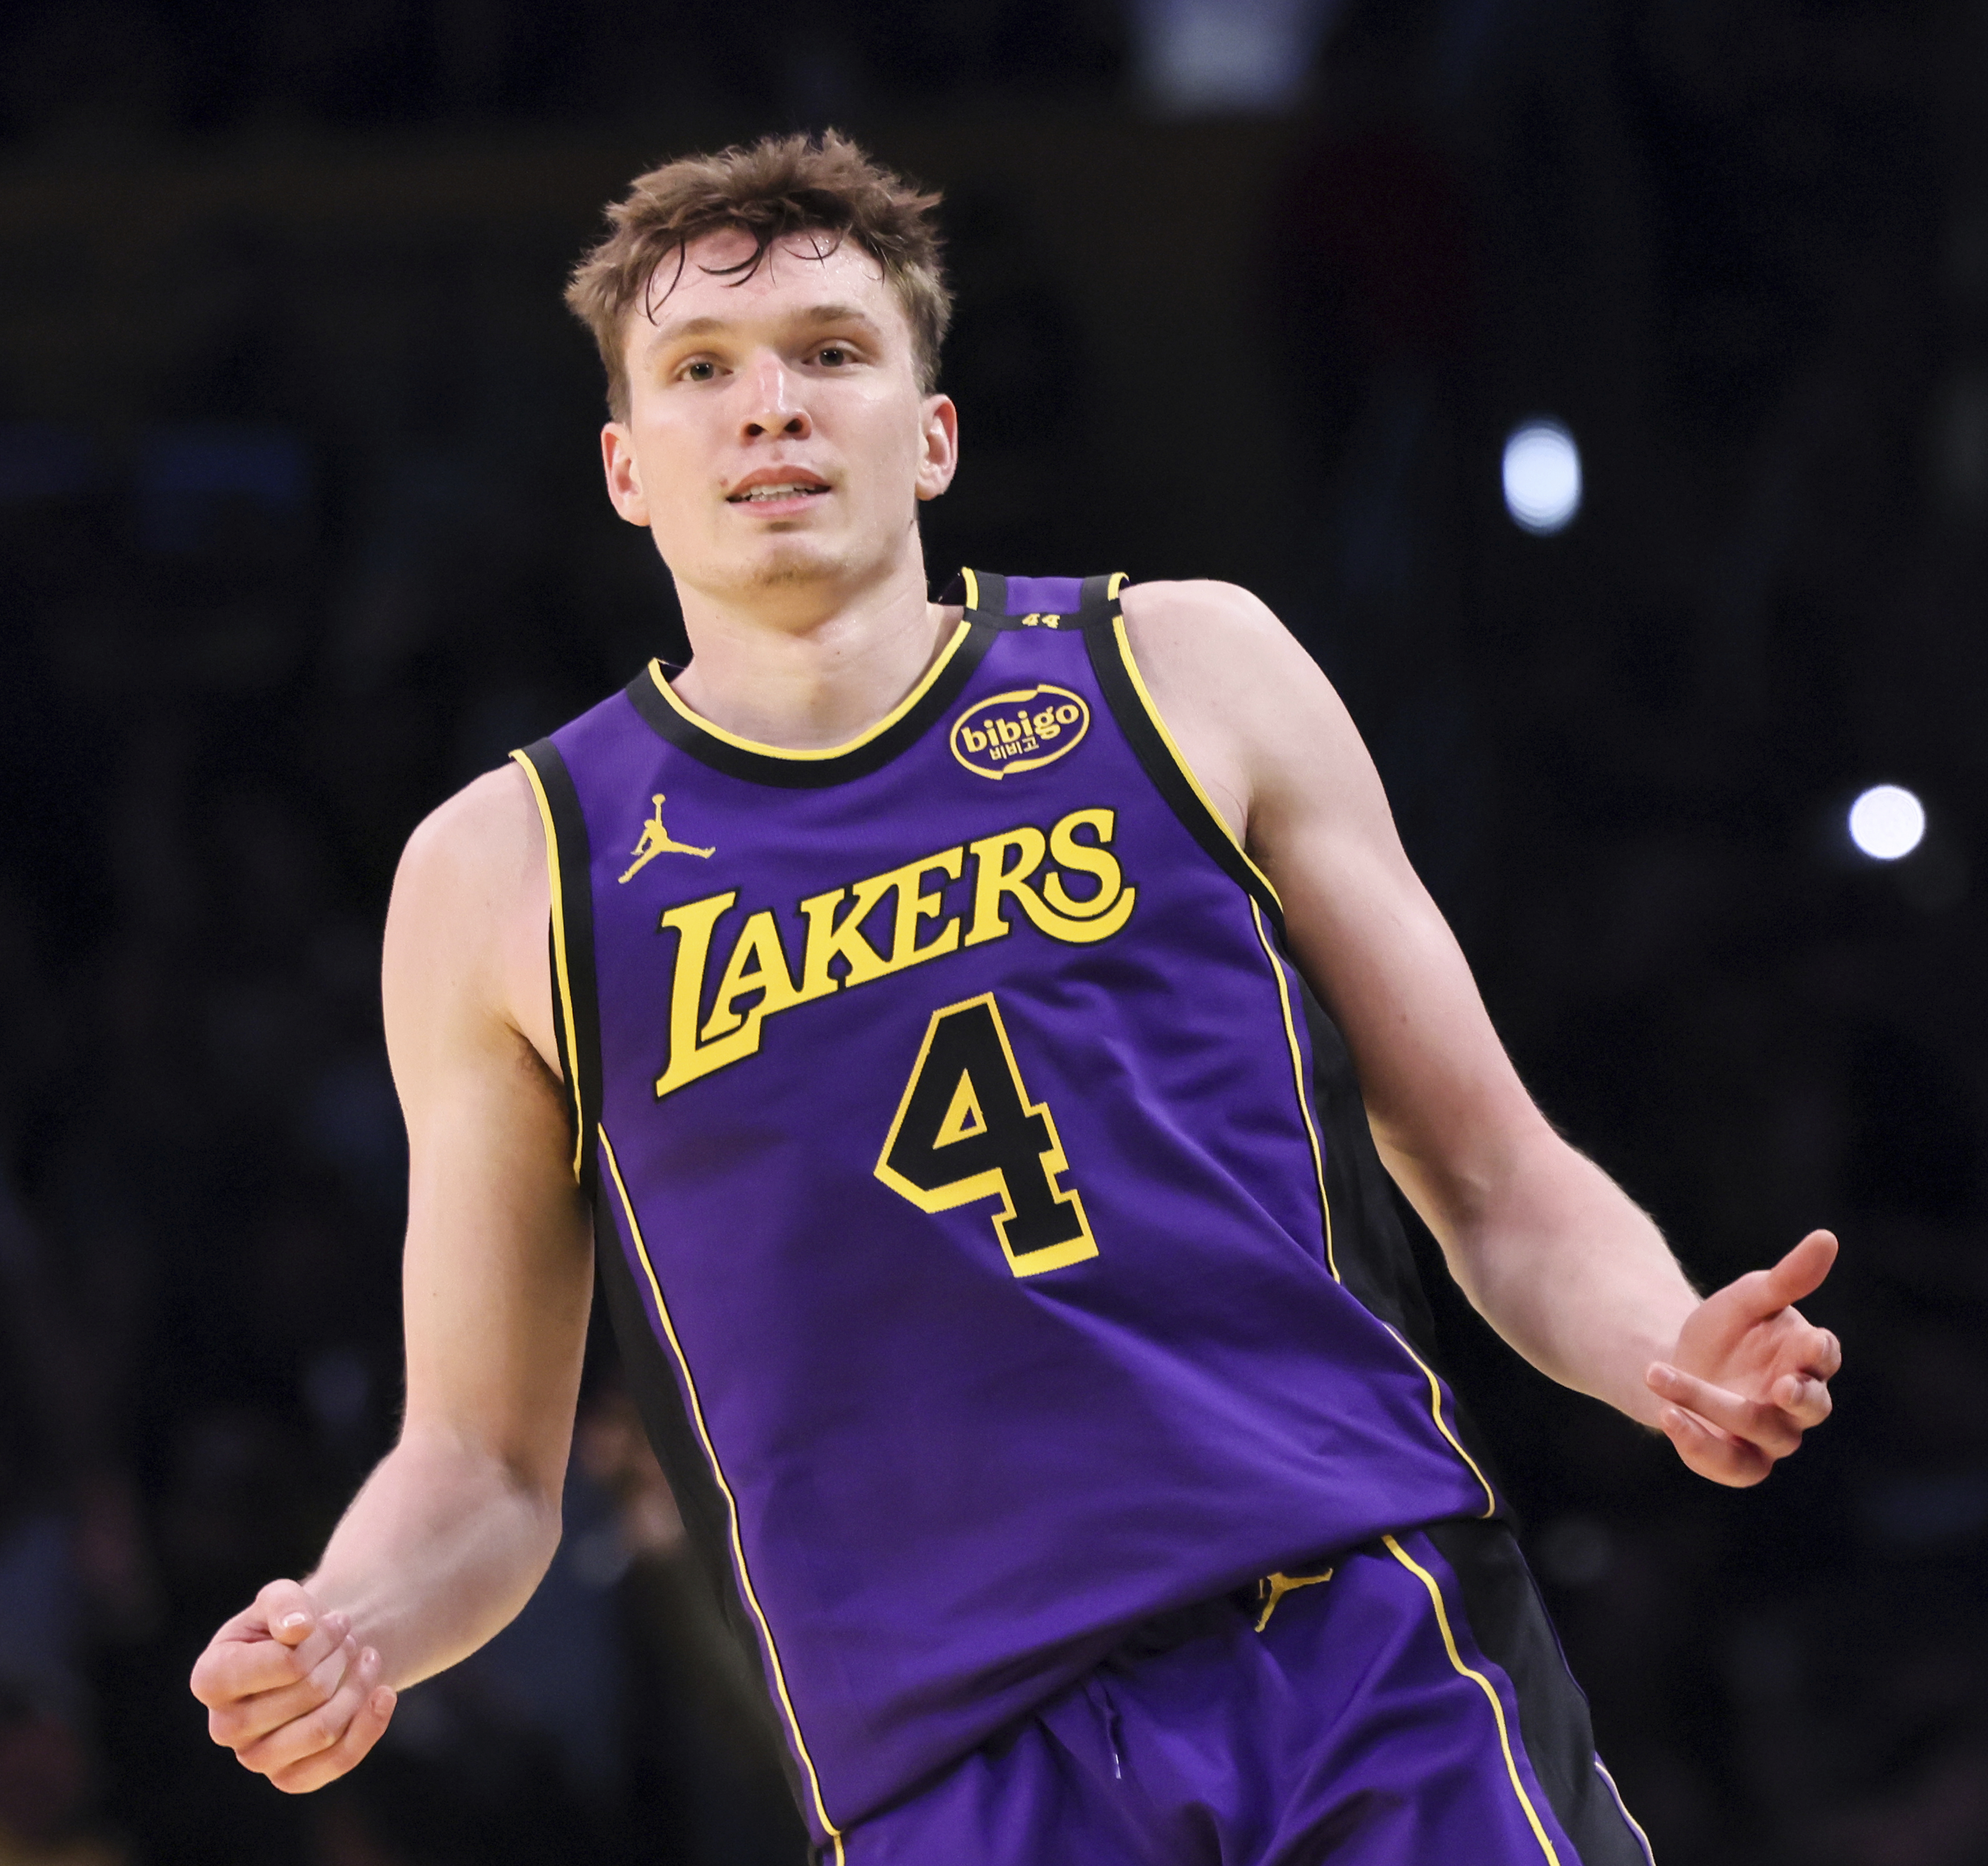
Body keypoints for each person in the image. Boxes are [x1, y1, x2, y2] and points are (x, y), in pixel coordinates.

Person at [188, 132, 1842, 1863]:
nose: (769, 407)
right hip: (942, 1774)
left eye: (831, 351)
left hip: (1354, 1642)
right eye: (699, 371)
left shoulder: (1187, 670)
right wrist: (355, 1620)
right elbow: (483, 1465)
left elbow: (1492, 1177)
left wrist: (1665, 1345)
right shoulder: (503, 873)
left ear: (932, 431)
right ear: (623, 465)